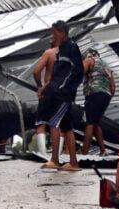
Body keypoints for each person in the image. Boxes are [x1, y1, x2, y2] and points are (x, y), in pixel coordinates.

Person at [37, 21, 84, 171]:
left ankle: (55, 160)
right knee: (66, 126)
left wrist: (64, 88)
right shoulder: (61, 50)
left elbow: (78, 71)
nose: (53, 36)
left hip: (63, 94)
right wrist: (45, 87)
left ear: (63, 32)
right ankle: (73, 163)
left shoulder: (72, 47)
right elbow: (57, 73)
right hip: (57, 92)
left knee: (53, 122)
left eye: (55, 33)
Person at [81, 47, 116, 155]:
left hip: (94, 94)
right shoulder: (107, 67)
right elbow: (113, 88)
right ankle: (103, 151)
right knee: (96, 122)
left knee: (89, 123)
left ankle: (84, 153)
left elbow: (79, 73)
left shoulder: (89, 60)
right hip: (106, 96)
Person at [33, 40, 59, 157]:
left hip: (49, 90)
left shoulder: (49, 53)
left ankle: (43, 155)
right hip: (64, 91)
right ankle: (56, 156)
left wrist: (40, 86)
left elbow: (36, 71)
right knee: (59, 125)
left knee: (41, 124)